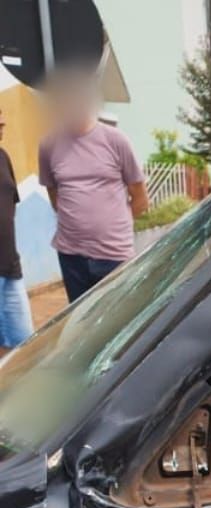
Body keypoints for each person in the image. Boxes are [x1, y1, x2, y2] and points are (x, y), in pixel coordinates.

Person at [38, 74, 149, 303]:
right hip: (71, 255)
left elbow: (140, 197)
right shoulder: (48, 145)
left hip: (113, 256)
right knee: (80, 319)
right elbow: (54, 194)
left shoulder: (116, 140)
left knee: (118, 318)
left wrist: (113, 227)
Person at [0, 109, 33, 352]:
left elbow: (10, 208)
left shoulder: (3, 157)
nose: (2, 122)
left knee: (26, 347)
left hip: (11, 268)